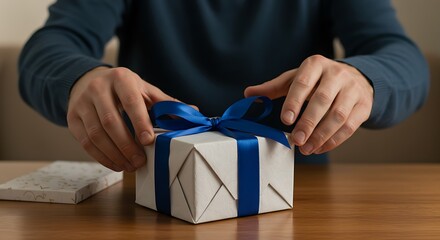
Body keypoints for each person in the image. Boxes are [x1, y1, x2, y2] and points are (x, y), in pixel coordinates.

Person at [19, 0, 429, 172]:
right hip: (150, 201)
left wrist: (364, 79)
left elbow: (402, 57)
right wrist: (80, 79)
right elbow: (49, 46)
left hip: (297, 203)